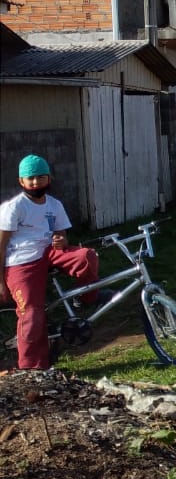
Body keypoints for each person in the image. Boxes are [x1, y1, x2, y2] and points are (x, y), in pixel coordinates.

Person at [0, 154, 100, 370]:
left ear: (49, 179)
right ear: (21, 181)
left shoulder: (54, 205)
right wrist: (0, 281)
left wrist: (61, 239)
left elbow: (63, 235)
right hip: (21, 263)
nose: (36, 182)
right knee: (32, 315)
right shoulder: (14, 207)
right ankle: (32, 369)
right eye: (31, 178)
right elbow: (1, 245)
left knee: (87, 256)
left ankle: (86, 298)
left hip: (49, 252)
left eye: (41, 177)